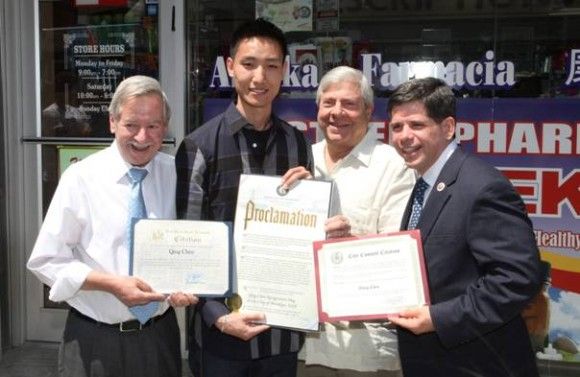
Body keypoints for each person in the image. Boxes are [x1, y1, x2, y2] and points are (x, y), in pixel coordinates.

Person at [28, 75, 198, 377]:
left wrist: (190, 283)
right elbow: (46, 261)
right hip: (93, 341)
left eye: (153, 126)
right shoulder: (81, 178)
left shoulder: (176, 175)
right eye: (131, 125)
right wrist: (112, 285)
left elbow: (191, 245)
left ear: (165, 127)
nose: (142, 137)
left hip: (159, 338)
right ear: (112, 123)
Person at [175, 18, 312, 377]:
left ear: (284, 71)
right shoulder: (199, 146)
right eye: (249, 64)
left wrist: (314, 208)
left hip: (282, 330)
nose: (259, 77)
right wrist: (217, 316)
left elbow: (306, 239)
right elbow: (190, 243)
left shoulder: (297, 144)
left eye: (271, 66)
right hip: (221, 334)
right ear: (231, 67)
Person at [386, 77, 543, 377]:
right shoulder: (424, 183)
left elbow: (518, 278)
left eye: (417, 125)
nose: (404, 136)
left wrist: (438, 318)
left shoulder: (482, 186)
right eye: (396, 127)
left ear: (447, 128)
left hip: (479, 363)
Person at [289, 66, 414, 377]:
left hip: (365, 350)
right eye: (328, 103)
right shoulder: (300, 161)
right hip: (304, 343)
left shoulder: (394, 166)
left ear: (369, 111)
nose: (337, 113)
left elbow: (395, 255)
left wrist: (342, 244)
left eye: (349, 104)